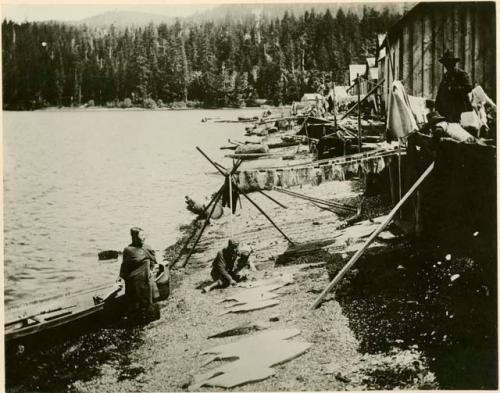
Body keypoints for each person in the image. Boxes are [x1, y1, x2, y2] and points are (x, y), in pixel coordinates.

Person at [119, 227, 160, 323]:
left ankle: (148, 316)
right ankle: (138, 316)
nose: (144, 237)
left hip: (146, 277)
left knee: (148, 297)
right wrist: (120, 277)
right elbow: (125, 266)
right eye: (141, 235)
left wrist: (153, 270)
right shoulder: (128, 250)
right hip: (135, 279)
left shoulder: (147, 247)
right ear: (134, 237)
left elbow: (154, 261)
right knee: (136, 295)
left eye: (144, 235)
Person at [435, 49, 473, 123]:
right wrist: (437, 104)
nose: (447, 66)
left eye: (449, 63)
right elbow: (440, 91)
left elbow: (469, 87)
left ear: (454, 63)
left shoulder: (461, 74)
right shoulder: (446, 76)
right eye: (445, 64)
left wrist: (454, 89)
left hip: (460, 107)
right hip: (447, 109)